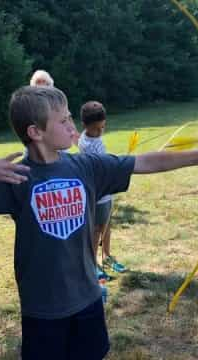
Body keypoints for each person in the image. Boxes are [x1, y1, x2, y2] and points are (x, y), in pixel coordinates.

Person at [0, 86, 198, 360]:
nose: (72, 128)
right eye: (63, 121)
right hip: (43, 308)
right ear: (35, 132)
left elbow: (144, 162)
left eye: (70, 119)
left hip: (87, 297)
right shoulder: (17, 177)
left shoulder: (86, 167)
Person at [78, 101, 125, 280]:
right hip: (97, 193)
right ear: (85, 126)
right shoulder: (87, 144)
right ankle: (92, 263)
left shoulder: (92, 137)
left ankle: (106, 256)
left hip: (105, 192)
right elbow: (99, 165)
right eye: (96, 129)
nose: (100, 132)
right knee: (96, 229)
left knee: (106, 225)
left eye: (102, 128)